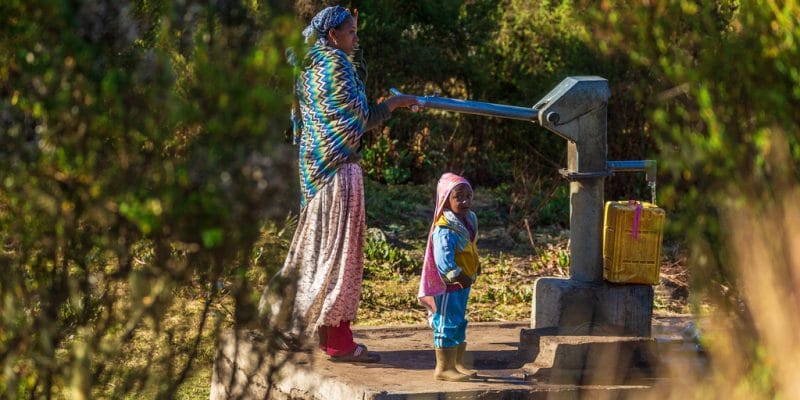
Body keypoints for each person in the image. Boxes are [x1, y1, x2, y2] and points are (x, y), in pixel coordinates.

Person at [259, 6, 419, 363]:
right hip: (339, 172)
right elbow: (355, 123)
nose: (356, 38)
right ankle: (337, 341)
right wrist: (392, 103)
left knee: (315, 251)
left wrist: (390, 104)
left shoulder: (309, 66)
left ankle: (286, 323)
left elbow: (342, 120)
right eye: (351, 32)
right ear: (332, 35)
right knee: (339, 257)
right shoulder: (335, 65)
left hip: (317, 171)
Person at [418, 173, 480, 381]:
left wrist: (475, 267)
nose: (465, 201)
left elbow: (471, 247)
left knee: (459, 321)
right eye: (459, 197)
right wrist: (457, 275)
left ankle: (457, 363)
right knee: (446, 322)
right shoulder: (444, 228)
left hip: (464, 282)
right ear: (446, 199)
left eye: (468, 196)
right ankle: (443, 368)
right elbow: (443, 260)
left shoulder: (469, 219)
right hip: (449, 286)